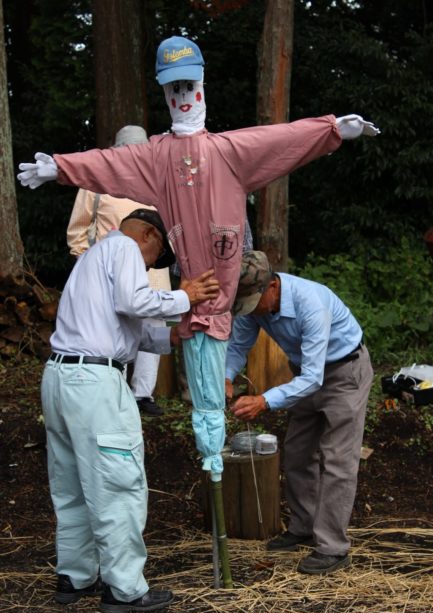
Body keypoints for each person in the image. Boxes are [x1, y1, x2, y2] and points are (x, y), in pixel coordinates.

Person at [17, 35, 379, 480]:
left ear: (202, 87)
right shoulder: (155, 157)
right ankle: (210, 459)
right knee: (202, 400)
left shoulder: (228, 150)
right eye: (174, 90)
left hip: (216, 296)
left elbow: (277, 140)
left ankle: (214, 461)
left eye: (190, 87)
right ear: (164, 93)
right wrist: (62, 167)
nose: (183, 98)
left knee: (209, 394)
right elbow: (110, 164)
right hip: (187, 299)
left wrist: (330, 131)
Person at [42, 207, 219, 613]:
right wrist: (184, 296)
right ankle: (124, 589)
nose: (152, 266)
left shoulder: (90, 258)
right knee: (116, 484)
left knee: (70, 483)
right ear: (148, 235)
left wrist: (172, 337)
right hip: (95, 386)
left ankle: (75, 575)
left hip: (60, 377)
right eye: (156, 258)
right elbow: (133, 301)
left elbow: (126, 328)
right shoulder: (123, 247)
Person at [225, 251, 373, 575]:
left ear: (272, 287)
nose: (248, 310)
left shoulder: (311, 303)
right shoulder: (255, 304)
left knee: (337, 459)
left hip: (344, 373)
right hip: (306, 374)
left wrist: (264, 400)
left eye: (251, 301)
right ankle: (304, 526)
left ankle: (333, 548)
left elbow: (313, 378)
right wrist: (226, 375)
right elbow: (238, 346)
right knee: (296, 452)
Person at [67, 125, 169, 417]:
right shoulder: (95, 183)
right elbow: (78, 229)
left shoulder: (157, 183)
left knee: (153, 324)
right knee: (112, 325)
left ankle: (142, 394)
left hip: (153, 271)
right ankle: (114, 387)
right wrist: (85, 263)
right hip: (108, 271)